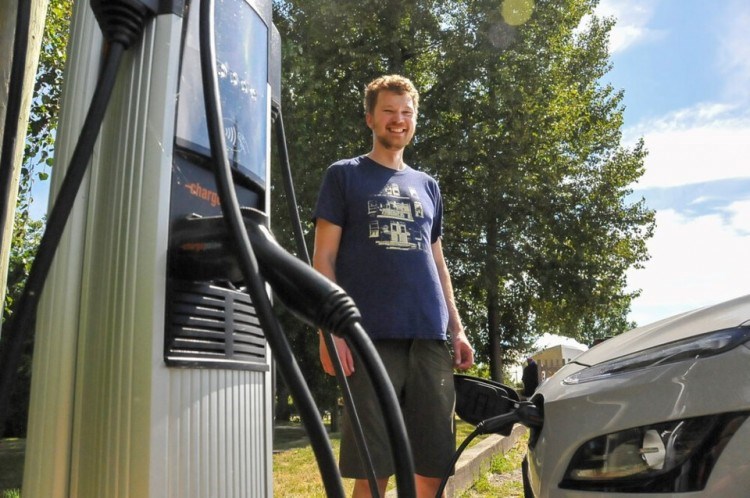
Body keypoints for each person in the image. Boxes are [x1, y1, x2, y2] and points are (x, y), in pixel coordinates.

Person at [313, 74, 474, 498]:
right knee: (373, 468)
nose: (398, 121)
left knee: (433, 467)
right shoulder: (344, 175)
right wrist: (329, 329)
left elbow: (437, 262)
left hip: (430, 336)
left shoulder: (427, 186)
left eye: (406, 113)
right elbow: (323, 259)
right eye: (389, 111)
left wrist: (455, 327)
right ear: (371, 118)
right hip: (368, 336)